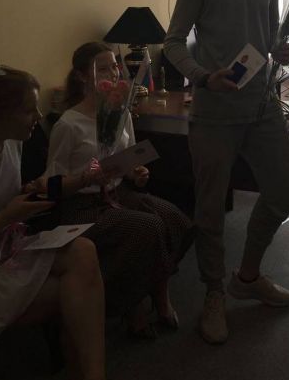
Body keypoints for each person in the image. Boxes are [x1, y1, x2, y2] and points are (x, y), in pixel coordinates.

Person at [164, 0, 289, 345]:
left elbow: (269, 34)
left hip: (262, 106)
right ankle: (214, 292)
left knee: (281, 192)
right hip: (215, 113)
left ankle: (248, 277)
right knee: (210, 211)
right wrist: (203, 76)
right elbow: (173, 42)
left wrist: (280, 47)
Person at [0, 65, 132, 380]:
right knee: (78, 293)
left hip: (5, 246)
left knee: (82, 251)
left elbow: (14, 194)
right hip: (1, 247)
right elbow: (5, 210)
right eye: (28, 110)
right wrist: (8, 215)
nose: (38, 117)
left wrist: (40, 190)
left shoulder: (12, 144)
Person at [45, 42, 194, 338]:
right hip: (82, 205)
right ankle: (132, 304)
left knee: (175, 218)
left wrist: (136, 172)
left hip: (118, 194)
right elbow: (52, 184)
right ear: (82, 76)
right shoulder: (69, 124)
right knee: (147, 228)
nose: (113, 73)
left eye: (114, 66)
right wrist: (87, 178)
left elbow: (128, 159)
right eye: (102, 68)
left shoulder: (120, 113)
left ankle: (157, 293)